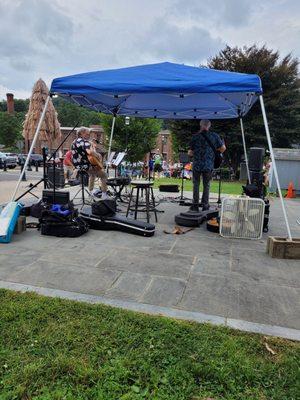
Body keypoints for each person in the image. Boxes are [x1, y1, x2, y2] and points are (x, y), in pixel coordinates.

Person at [188, 120, 226, 212]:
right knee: (207, 185)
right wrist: (214, 152)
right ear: (209, 126)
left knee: (196, 184)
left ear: (200, 125)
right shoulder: (214, 136)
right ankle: (205, 205)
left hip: (197, 164)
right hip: (208, 165)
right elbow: (223, 148)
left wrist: (194, 154)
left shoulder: (195, 137)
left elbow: (190, 152)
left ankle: (195, 205)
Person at [71, 127, 108, 198]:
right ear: (81, 134)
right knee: (104, 175)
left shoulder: (74, 141)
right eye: (87, 134)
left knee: (92, 175)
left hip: (78, 165)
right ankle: (104, 195)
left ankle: (90, 192)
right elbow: (89, 152)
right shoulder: (83, 141)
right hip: (85, 165)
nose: (88, 136)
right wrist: (98, 155)